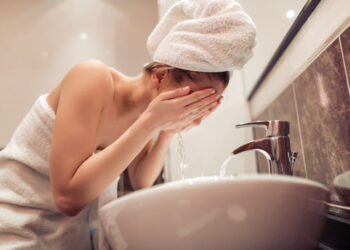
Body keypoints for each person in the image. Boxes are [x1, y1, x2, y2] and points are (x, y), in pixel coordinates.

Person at [0, 0, 256, 249]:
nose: (196, 118)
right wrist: (149, 123)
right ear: (159, 76)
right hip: (14, 231)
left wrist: (166, 132)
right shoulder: (92, 78)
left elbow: (140, 180)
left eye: (202, 108)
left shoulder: (144, 116)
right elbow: (68, 198)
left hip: (62, 240)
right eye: (190, 103)